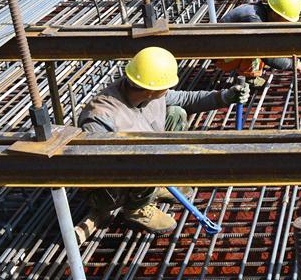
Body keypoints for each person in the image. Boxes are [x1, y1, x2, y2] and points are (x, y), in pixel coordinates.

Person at [76, 47, 250, 236]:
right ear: (151, 91)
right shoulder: (101, 118)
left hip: (142, 159)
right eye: (166, 86)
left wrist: (224, 97)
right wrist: (151, 167)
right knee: (145, 158)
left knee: (176, 113)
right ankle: (136, 207)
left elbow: (186, 99)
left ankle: (154, 184)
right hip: (108, 189)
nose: (168, 89)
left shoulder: (145, 92)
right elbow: (99, 169)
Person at [217, 0, 301, 85]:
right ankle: (249, 78)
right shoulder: (253, 19)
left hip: (237, 47)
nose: (287, 24)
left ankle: (249, 67)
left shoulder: (268, 15)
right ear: (275, 14)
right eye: (285, 21)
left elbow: (293, 41)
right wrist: (298, 66)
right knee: (257, 47)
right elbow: (264, 53)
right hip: (223, 57)